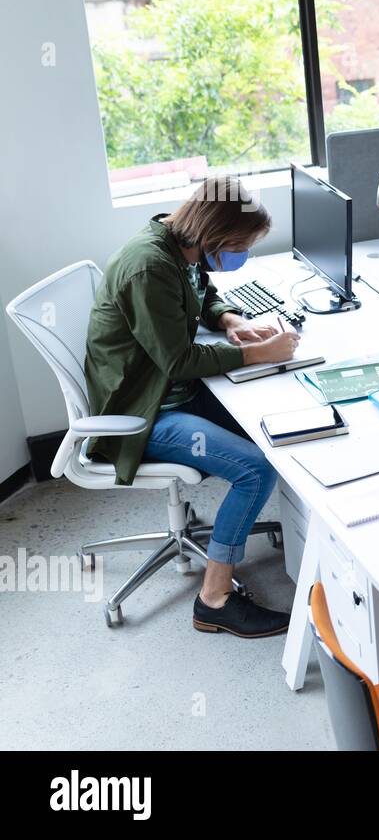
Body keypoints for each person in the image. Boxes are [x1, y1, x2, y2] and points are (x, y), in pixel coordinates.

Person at [84, 176, 301, 638]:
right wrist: (257, 353)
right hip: (142, 412)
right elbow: (179, 360)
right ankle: (214, 600)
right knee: (255, 469)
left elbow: (201, 295)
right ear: (213, 233)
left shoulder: (181, 246)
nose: (241, 253)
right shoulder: (148, 267)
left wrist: (230, 320)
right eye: (240, 244)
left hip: (171, 391)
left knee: (276, 419)